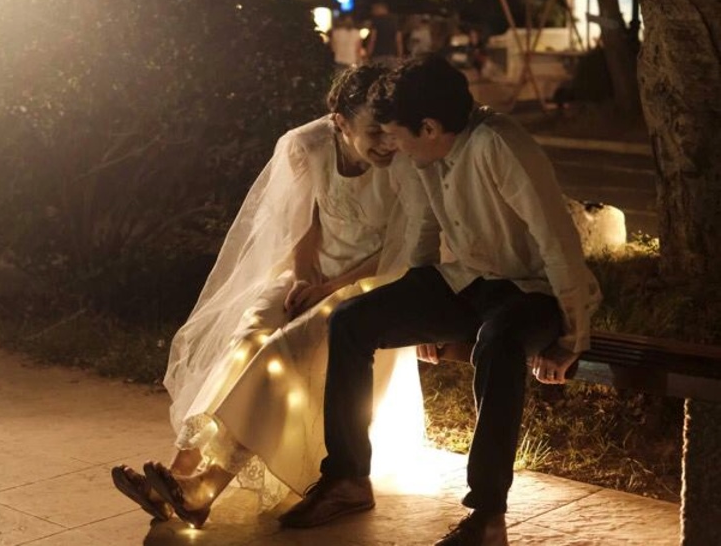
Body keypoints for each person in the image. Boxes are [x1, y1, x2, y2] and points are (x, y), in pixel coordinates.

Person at [278, 57, 602, 546]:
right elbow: (426, 231)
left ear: (428, 127)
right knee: (350, 320)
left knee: (498, 343)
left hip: (532, 290)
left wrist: (573, 336)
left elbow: (558, 242)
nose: (391, 147)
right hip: (467, 282)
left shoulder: (499, 146)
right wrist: (421, 311)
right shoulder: (428, 153)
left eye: (396, 136)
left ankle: (487, 515)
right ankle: (347, 479)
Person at [110, 63, 427, 528]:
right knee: (251, 333)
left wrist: (328, 290)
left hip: (370, 286)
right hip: (311, 273)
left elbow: (398, 252)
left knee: (280, 354)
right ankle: (176, 474)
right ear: (340, 122)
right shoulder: (307, 145)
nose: (387, 142)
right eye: (374, 131)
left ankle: (204, 488)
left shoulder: (404, 161)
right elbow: (301, 224)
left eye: (390, 130)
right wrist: (302, 278)